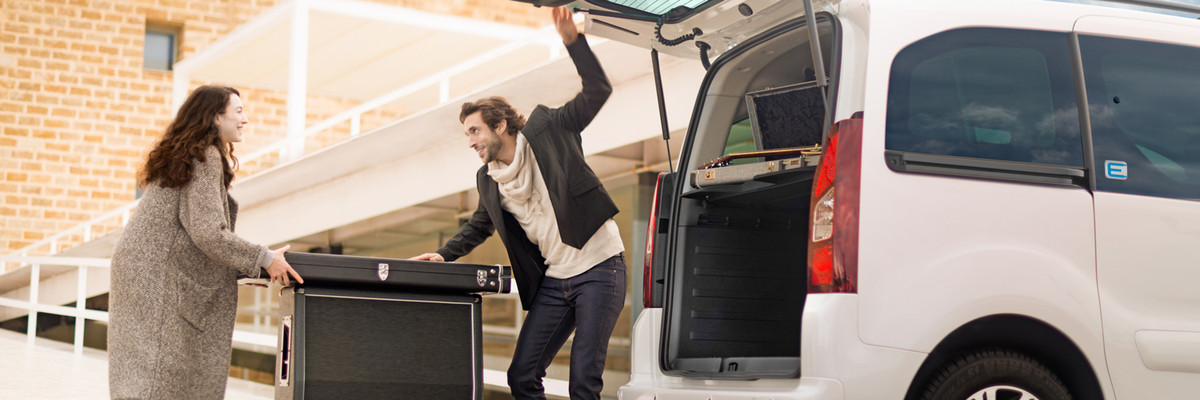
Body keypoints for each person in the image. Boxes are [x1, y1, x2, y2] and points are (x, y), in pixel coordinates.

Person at [410, 7, 623, 399]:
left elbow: (598, 91)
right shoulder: (489, 180)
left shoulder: (550, 129)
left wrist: (573, 43)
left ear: (500, 125)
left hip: (599, 268)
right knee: (522, 376)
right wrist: (443, 255)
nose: (470, 142)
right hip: (556, 279)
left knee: (583, 382)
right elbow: (479, 225)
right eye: (467, 135)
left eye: (475, 131)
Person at [108, 85, 303, 399]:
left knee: (148, 369)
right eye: (238, 111)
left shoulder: (189, 154)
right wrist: (264, 258)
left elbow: (191, 232)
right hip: (158, 276)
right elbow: (207, 232)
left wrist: (244, 266)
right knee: (159, 374)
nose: (245, 119)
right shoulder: (205, 156)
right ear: (215, 117)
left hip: (147, 271)